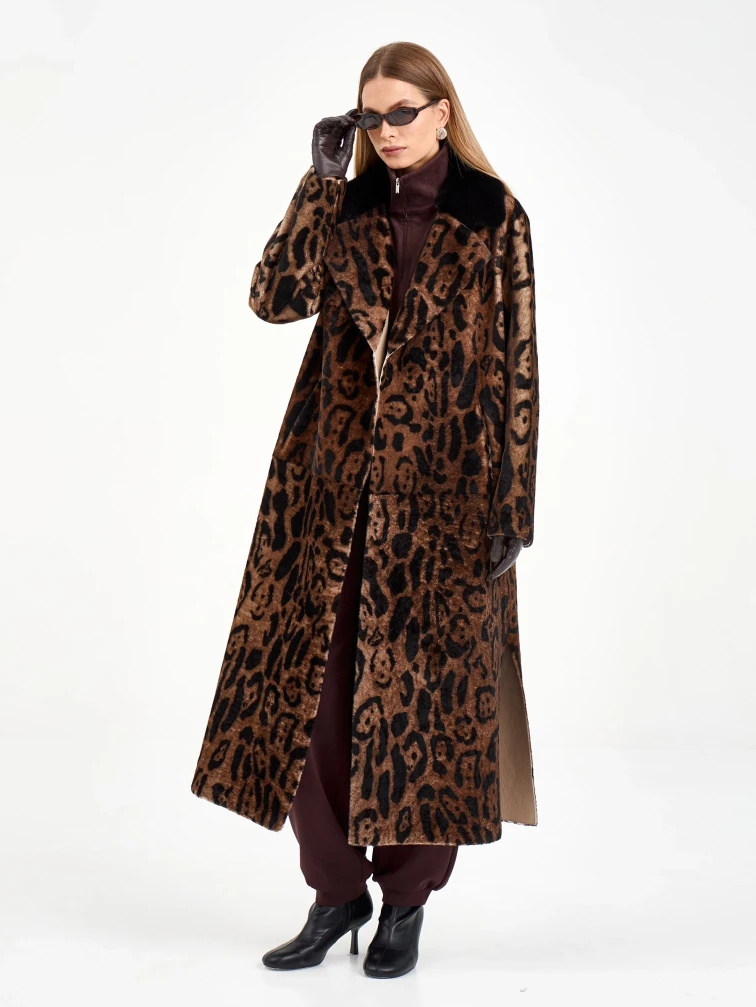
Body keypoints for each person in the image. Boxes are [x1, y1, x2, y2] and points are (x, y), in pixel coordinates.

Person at [190, 40, 540, 980]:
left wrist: (514, 504)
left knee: (432, 704)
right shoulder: (343, 210)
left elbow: (518, 366)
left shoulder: (494, 215)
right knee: (314, 696)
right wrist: (317, 184)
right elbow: (272, 299)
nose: (384, 132)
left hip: (446, 500)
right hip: (333, 491)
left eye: (400, 113)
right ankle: (335, 891)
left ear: (441, 112)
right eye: (369, 116)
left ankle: (408, 903)